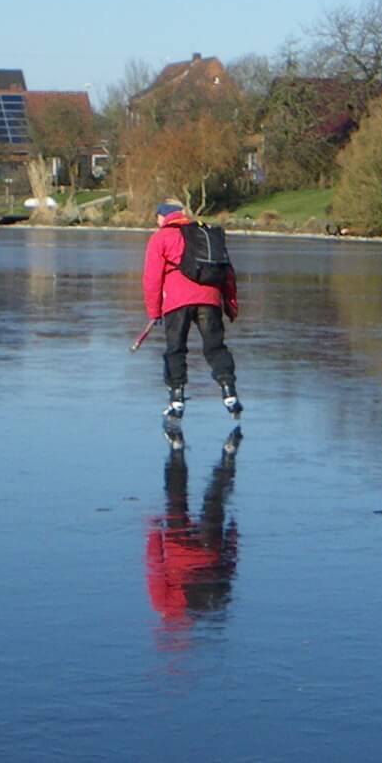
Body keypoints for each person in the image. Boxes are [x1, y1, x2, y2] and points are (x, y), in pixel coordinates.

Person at [142, 198, 241, 428]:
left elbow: (152, 278)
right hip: (210, 300)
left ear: (163, 216)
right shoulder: (204, 235)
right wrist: (231, 305)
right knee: (215, 347)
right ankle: (229, 391)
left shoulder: (161, 237)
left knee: (175, 349)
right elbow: (227, 272)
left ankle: (176, 398)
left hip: (177, 303)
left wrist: (154, 311)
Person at [144, 431, 238, 641]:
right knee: (176, 498)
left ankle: (228, 457)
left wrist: (232, 538)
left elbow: (227, 571)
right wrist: (154, 532)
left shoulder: (204, 606)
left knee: (214, 501)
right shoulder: (163, 605)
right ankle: (177, 451)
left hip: (208, 552)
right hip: (178, 546)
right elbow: (155, 568)